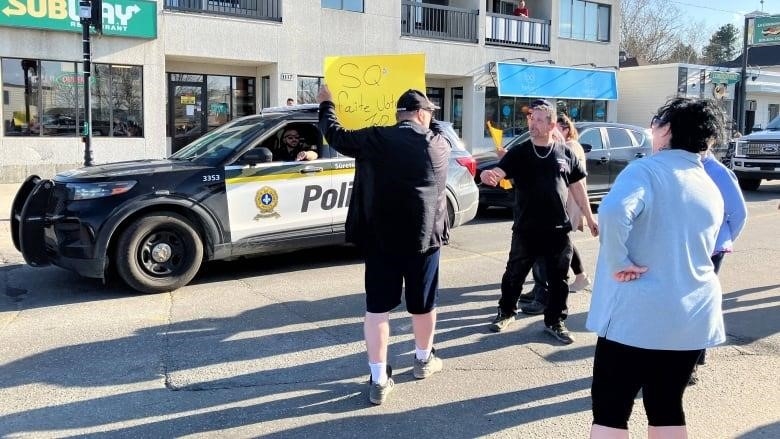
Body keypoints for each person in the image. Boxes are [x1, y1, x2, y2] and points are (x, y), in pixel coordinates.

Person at [586, 97, 728, 439]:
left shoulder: (646, 169)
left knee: (611, 407)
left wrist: (619, 261)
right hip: (693, 314)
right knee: (666, 404)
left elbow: (614, 211)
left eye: (655, 122)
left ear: (666, 130)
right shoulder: (708, 183)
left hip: (638, 315)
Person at [317, 86, 449, 405]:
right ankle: (422, 360)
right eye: (429, 113)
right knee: (423, 304)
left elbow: (335, 135)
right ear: (421, 114)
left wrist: (327, 104)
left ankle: (378, 379)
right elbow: (434, 128)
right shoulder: (439, 144)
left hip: (380, 240)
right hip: (425, 239)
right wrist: (426, 122)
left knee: (377, 309)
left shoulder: (376, 139)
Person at [480, 99, 598, 344]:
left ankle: (555, 321)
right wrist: (488, 174)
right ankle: (506, 312)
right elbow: (500, 172)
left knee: (559, 280)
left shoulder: (565, 152)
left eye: (539, 119)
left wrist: (589, 216)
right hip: (526, 228)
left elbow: (577, 186)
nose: (533, 123)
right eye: (531, 118)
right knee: (514, 274)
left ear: (552, 123)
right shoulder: (520, 153)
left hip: (557, 229)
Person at [688, 146, 748, 384]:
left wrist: (723, 240)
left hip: (710, 249)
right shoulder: (684, 168)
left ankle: (692, 362)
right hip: (686, 247)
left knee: (700, 303)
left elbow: (739, 213)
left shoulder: (718, 172)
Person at [558, 114, 592, 292]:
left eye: (556, 128)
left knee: (565, 240)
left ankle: (581, 276)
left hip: (570, 200)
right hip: (569, 199)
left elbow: (571, 178)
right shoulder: (572, 145)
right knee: (563, 240)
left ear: (565, 129)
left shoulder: (570, 146)